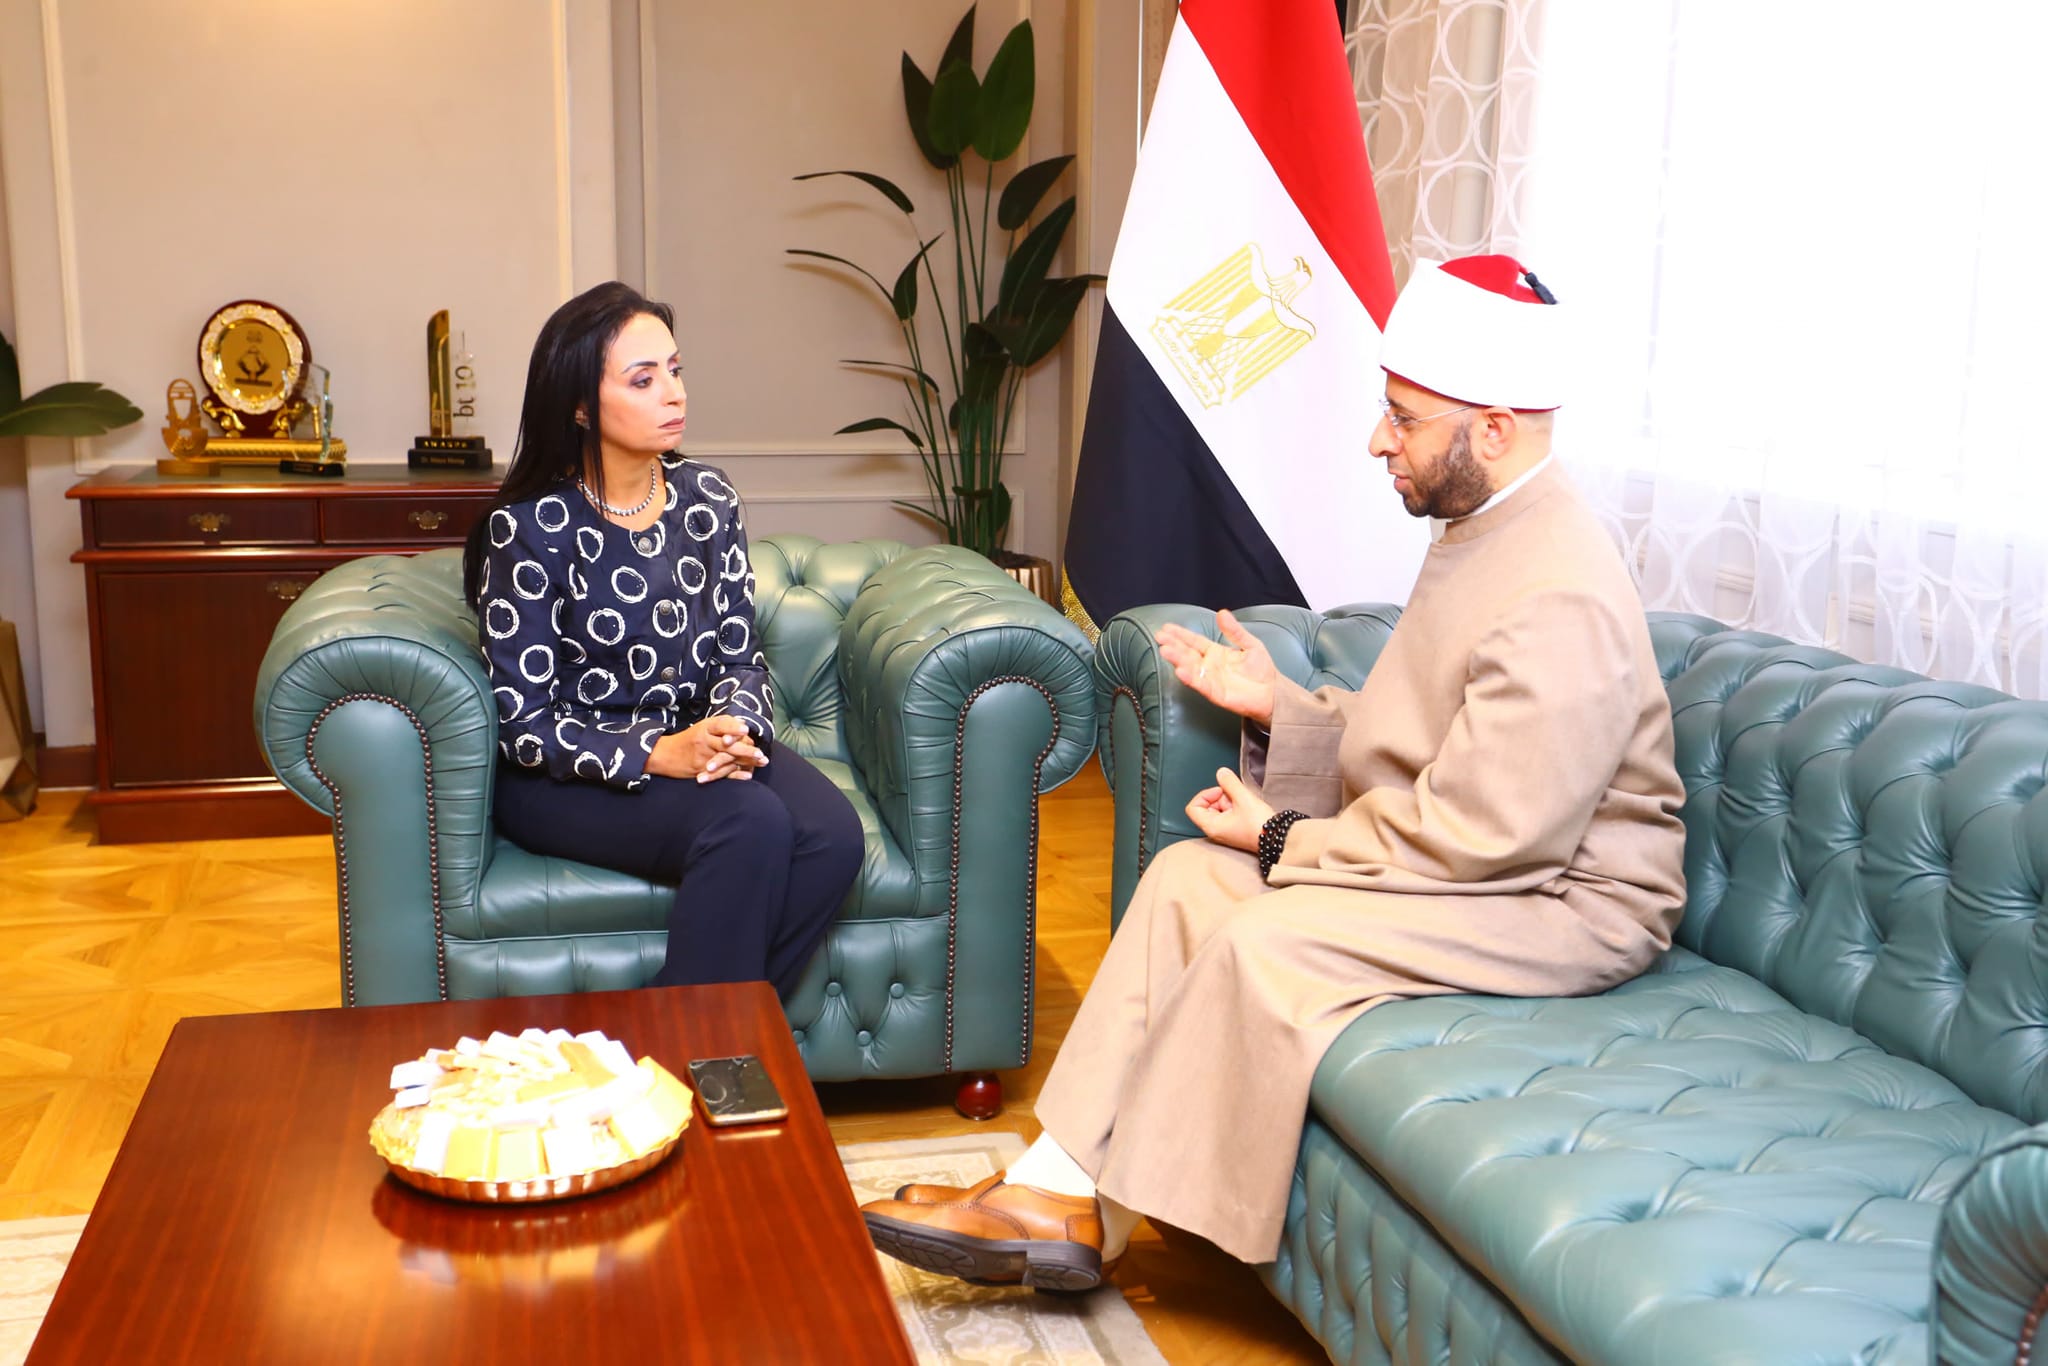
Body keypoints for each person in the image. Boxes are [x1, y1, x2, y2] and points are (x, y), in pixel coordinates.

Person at [859, 255, 1688, 1290]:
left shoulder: (1556, 584)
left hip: (1561, 904)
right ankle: (1061, 1188)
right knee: (1183, 880)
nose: (1378, 439)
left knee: (1263, 936)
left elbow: (1488, 833)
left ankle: (1092, 1206)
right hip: (1495, 863)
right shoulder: (1485, 528)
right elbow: (1442, 752)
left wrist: (1282, 837)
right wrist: (1281, 707)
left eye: (1404, 419)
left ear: (1492, 429)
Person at [462, 281, 863, 997]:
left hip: (694, 740)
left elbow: (740, 653)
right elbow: (524, 727)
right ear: (580, 405)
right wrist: (659, 752)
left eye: (675, 371)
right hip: (564, 775)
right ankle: (709, 1046)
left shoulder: (708, 497)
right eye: (643, 380)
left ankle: (673, 1020)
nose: (674, 394)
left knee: (833, 836)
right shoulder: (528, 528)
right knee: (749, 823)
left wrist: (735, 729)